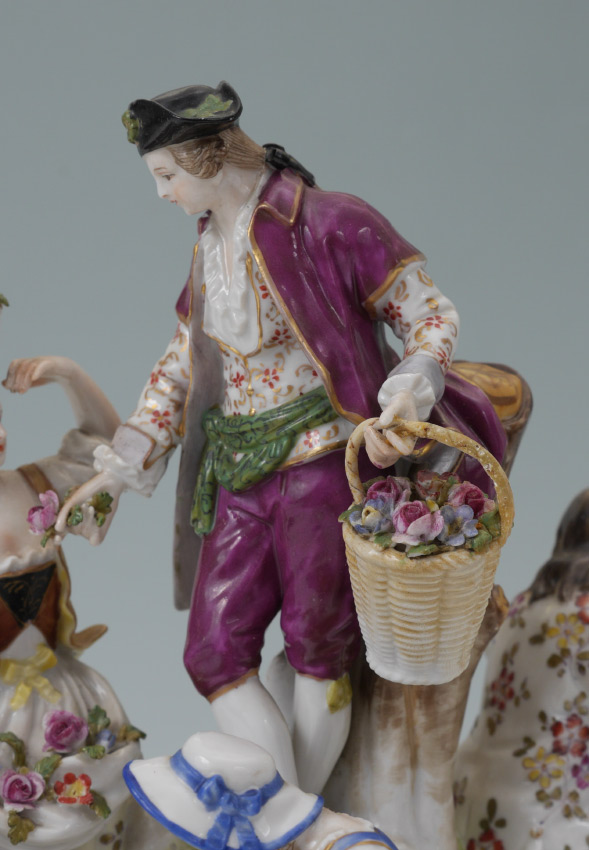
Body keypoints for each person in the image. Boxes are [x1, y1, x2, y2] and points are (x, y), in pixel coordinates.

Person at [55, 81, 507, 793]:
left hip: (322, 466)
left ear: (207, 157)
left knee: (319, 652)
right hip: (239, 470)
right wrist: (117, 472)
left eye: (166, 175)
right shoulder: (209, 249)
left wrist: (408, 389)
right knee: (213, 654)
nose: (162, 194)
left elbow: (428, 314)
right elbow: (180, 367)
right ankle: (293, 819)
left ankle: (289, 822)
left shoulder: (331, 222)